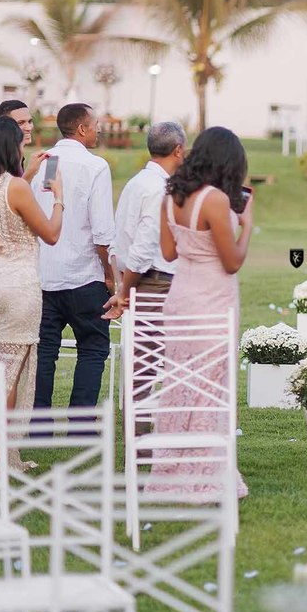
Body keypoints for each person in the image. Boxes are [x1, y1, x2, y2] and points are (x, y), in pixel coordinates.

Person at [146, 126, 252, 499]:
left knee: (180, 383)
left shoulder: (170, 195)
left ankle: (172, 467)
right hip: (212, 298)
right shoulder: (216, 201)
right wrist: (249, 226)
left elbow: (170, 253)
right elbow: (232, 261)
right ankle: (205, 471)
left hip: (181, 298)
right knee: (211, 385)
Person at [0, 117, 64, 470]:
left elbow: (3, 211)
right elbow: (50, 234)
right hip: (17, 287)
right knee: (10, 373)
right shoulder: (15, 187)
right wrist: (59, 199)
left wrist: (27, 178)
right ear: (12, 147)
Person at [103, 122, 187, 438]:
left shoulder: (137, 182)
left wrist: (122, 282)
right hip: (154, 283)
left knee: (142, 365)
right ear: (178, 149)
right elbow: (143, 247)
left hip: (137, 280)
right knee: (151, 366)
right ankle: (143, 443)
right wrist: (125, 290)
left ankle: (142, 441)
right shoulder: (160, 189)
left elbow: (117, 242)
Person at [30, 103, 115, 410]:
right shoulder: (95, 166)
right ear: (81, 128)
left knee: (44, 351)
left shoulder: (46, 162)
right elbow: (103, 230)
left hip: (45, 274)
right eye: (96, 124)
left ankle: (38, 424)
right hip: (84, 276)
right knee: (92, 348)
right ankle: (81, 423)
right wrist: (109, 274)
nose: (99, 129)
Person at [0, 99, 46, 182]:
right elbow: (10, 193)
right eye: (20, 123)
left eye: (30, 121)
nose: (29, 127)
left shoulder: (17, 155)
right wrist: (30, 172)